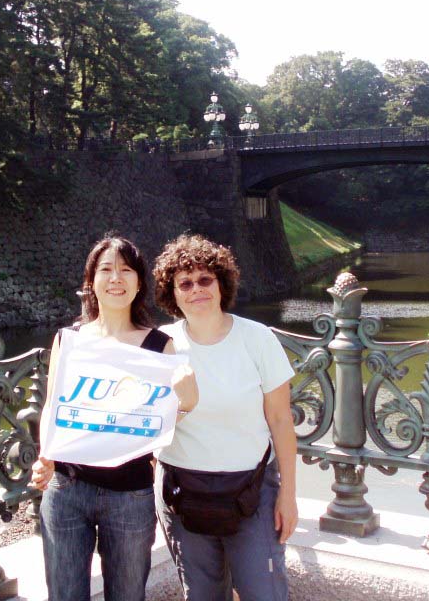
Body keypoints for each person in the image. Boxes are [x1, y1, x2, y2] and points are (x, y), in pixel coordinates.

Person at [31, 235, 199, 601]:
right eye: (106, 269)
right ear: (91, 282)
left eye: (125, 270)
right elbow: (52, 406)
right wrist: (46, 455)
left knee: (127, 594)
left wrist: (188, 401)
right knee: (64, 595)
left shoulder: (159, 346)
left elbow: (164, 422)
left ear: (139, 283)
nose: (115, 278)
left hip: (131, 492)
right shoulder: (69, 340)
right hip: (67, 487)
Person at [152, 234, 297, 601]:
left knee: (264, 592)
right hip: (182, 490)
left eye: (205, 279)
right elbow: (147, 424)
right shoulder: (160, 345)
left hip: (252, 489)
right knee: (202, 594)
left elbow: (281, 421)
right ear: (172, 293)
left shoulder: (257, 339)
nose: (197, 289)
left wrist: (289, 495)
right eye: (185, 283)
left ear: (222, 284)